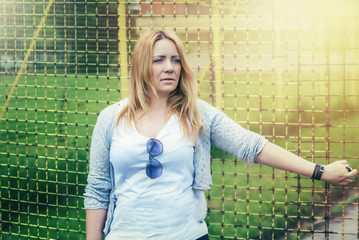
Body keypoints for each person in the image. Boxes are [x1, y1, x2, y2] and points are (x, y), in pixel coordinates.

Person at [84, 30, 357, 240]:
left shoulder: (197, 114)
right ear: (141, 65)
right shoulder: (111, 119)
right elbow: (97, 189)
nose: (169, 67)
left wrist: (319, 171)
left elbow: (251, 146)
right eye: (159, 60)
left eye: (175, 60)